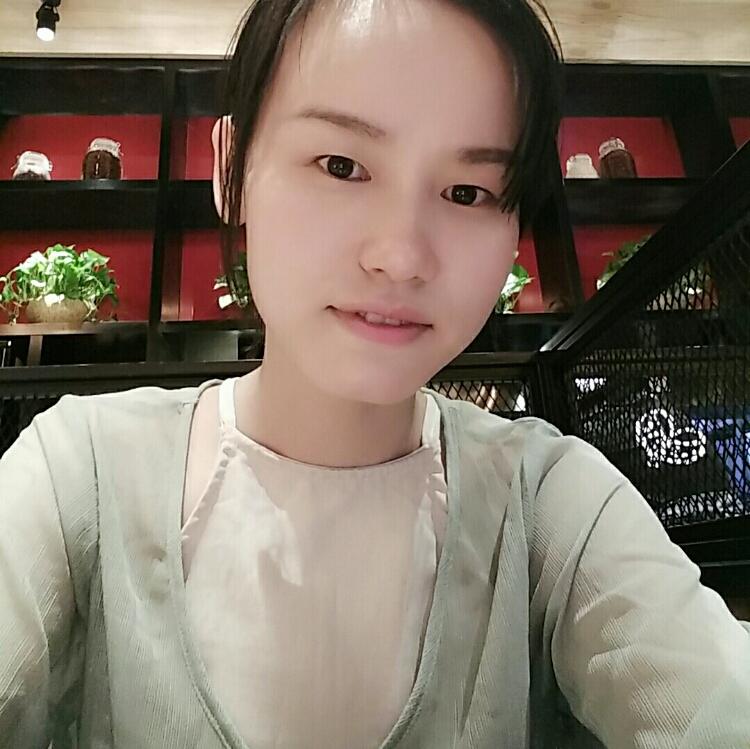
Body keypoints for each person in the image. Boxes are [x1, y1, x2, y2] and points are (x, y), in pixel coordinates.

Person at [1, 0, 749, 747]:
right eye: (342, 166)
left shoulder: (554, 504)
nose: (401, 256)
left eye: (467, 192)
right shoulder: (79, 473)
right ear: (232, 169)